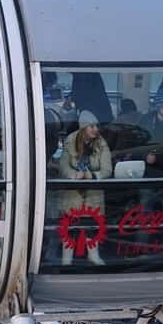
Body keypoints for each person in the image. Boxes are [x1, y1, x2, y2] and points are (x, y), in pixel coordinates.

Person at [57, 110, 112, 266]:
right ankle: (66, 260)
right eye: (91, 126)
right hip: (73, 193)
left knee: (91, 225)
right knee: (70, 226)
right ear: (83, 128)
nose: (96, 129)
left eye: (96, 126)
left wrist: (91, 176)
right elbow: (63, 165)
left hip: (92, 192)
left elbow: (108, 170)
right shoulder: (70, 141)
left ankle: (93, 256)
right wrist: (72, 174)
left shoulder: (101, 143)